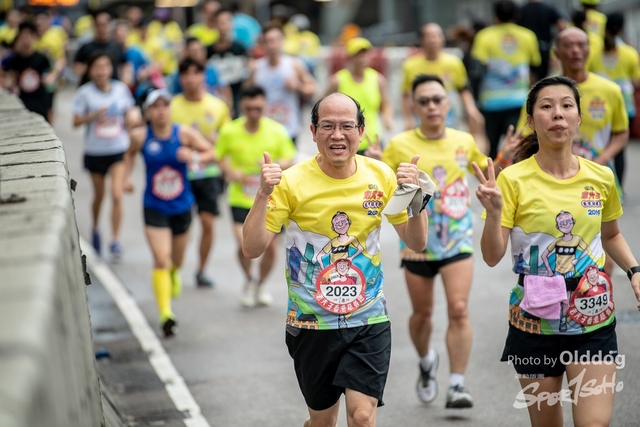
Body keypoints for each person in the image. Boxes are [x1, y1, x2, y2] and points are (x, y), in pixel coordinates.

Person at [241, 92, 429, 427]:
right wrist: (262, 194)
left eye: (346, 126)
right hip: (311, 323)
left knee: (362, 417)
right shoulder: (290, 182)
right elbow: (252, 248)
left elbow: (416, 241)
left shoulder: (381, 176)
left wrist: (414, 195)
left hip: (368, 317)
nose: (337, 135)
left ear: (361, 131)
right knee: (323, 422)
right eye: (327, 126)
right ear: (313, 132)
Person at [472, 75, 640, 427]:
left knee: (594, 423)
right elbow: (491, 256)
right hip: (533, 322)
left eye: (566, 106)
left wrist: (634, 271)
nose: (558, 114)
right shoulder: (512, 180)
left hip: (592, 315)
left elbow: (611, 235)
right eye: (546, 107)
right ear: (531, 121)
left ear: (579, 118)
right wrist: (495, 213)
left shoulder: (601, 177)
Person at [383, 74, 509, 409]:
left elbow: (487, 174)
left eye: (437, 99)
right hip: (417, 243)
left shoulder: (463, 140)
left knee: (459, 309)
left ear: (448, 103)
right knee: (422, 315)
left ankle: (456, 385)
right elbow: (384, 190)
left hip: (457, 239)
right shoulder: (399, 145)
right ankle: (426, 360)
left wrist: (504, 158)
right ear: (413, 106)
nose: (431, 106)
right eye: (423, 101)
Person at [125, 89, 216, 337]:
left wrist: (193, 156)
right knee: (160, 259)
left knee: (176, 260)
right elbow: (128, 155)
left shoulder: (183, 133)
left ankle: (174, 273)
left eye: (165, 106)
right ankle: (166, 313)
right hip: (154, 205)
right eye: (155, 107)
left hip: (182, 206)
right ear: (148, 112)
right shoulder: (140, 136)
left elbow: (212, 152)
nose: (161, 111)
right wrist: (125, 178)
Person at [216, 85, 296, 306]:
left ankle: (260, 284)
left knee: (270, 247)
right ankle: (249, 279)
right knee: (245, 245)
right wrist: (230, 171)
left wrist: (274, 165)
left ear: (265, 106)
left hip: (272, 200)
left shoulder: (277, 131)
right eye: (249, 108)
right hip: (240, 198)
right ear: (242, 106)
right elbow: (219, 155)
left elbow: (290, 158)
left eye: (258, 108)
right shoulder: (229, 131)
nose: (253, 113)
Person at [170, 58, 231, 287]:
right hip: (180, 174)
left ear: (203, 76)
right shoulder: (172, 106)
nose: (191, 79)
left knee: (207, 223)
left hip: (208, 173)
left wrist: (218, 143)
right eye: (186, 74)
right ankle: (175, 267)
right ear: (180, 78)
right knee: (181, 225)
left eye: (196, 73)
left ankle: (202, 270)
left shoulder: (218, 106)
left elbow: (228, 139)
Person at [72, 52, 139, 258]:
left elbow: (131, 110)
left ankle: (116, 240)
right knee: (99, 196)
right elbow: (75, 122)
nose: (102, 71)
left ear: (111, 69)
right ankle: (95, 228)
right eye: (97, 67)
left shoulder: (120, 89)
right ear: (90, 70)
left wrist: (132, 116)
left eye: (105, 66)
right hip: (95, 151)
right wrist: (94, 114)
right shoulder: (84, 93)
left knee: (117, 194)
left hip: (117, 149)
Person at [470, 0, 540, 159]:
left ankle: (493, 172)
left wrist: (475, 99)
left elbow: (476, 71)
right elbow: (536, 65)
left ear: (495, 16)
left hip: (490, 101)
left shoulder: (484, 36)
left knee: (492, 147)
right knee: (519, 146)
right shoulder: (528, 36)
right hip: (519, 101)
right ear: (516, 15)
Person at [401, 23, 486, 152]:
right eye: (429, 36)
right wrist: (408, 119)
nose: (434, 39)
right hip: (422, 119)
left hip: (449, 118)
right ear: (421, 40)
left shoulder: (454, 62)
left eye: (437, 35)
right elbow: (406, 95)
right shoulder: (410, 65)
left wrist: (471, 109)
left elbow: (463, 89)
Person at [588, 12, 640, 192]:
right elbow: (636, 81)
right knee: (618, 150)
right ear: (622, 29)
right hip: (625, 106)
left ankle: (599, 187)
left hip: (597, 107)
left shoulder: (594, 52)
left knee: (599, 147)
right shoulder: (630, 53)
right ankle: (619, 190)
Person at [246, 22, 316, 144]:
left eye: (275, 40)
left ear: (282, 41)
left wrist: (297, 86)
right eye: (268, 41)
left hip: (289, 127)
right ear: (262, 44)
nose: (272, 45)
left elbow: (313, 89)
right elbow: (246, 96)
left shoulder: (294, 64)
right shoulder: (255, 67)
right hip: (264, 128)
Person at [325, 37, 392, 156]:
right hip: (345, 140)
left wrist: (387, 118)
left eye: (365, 54)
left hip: (372, 139)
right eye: (357, 55)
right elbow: (323, 106)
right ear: (349, 58)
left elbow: (385, 103)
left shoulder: (378, 80)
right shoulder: (338, 81)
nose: (362, 59)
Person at [2, 21, 59, 120]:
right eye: (23, 36)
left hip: (40, 103)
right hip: (20, 104)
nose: (26, 40)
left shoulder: (42, 59)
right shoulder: (13, 60)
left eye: (29, 36)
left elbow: (50, 81)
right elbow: (5, 80)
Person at [207, 7, 249, 117]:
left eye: (226, 22)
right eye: (220, 23)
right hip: (216, 99)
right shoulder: (208, 51)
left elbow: (247, 73)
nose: (223, 27)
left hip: (237, 97)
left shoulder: (240, 49)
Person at [73, 9, 132, 86]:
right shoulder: (86, 47)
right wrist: (94, 71)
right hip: (91, 86)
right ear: (94, 25)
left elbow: (125, 64)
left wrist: (126, 76)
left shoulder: (116, 46)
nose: (102, 28)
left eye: (105, 24)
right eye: (99, 24)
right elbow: (76, 66)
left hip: (112, 87)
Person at [171, 37, 230, 106]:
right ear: (187, 52)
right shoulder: (180, 73)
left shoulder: (212, 69)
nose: (198, 54)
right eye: (194, 51)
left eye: (200, 50)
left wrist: (228, 105)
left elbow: (224, 88)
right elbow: (174, 94)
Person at [517, 0, 567, 81]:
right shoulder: (548, 8)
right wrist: (558, 45)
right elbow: (562, 26)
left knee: (528, 79)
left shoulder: (521, 10)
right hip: (544, 48)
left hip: (526, 50)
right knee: (543, 80)